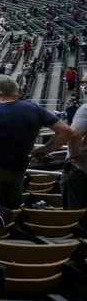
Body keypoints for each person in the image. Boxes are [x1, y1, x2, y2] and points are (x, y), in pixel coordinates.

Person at [0, 74, 72, 220]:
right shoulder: (34, 109)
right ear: (16, 90)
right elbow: (66, 131)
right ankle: (12, 237)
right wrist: (46, 149)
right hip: (18, 166)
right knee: (12, 206)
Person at [62, 73, 87, 209]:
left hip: (81, 171)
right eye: (83, 83)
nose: (84, 87)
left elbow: (74, 135)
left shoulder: (85, 110)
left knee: (78, 215)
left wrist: (74, 154)